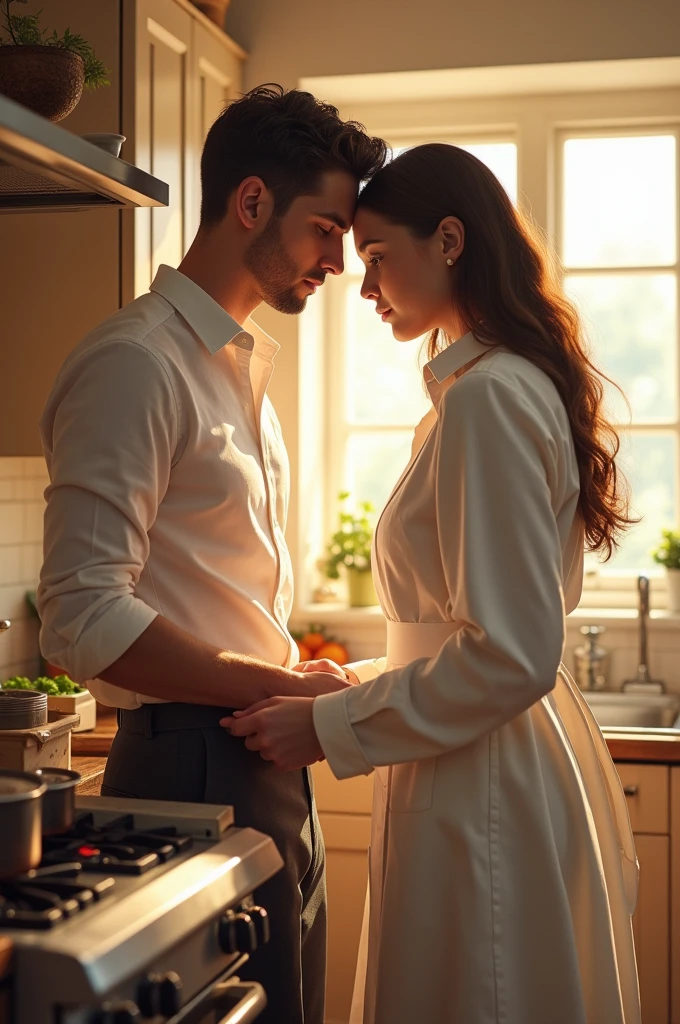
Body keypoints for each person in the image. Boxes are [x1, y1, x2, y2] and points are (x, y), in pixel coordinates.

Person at [223, 142, 642, 1024]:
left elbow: (510, 655)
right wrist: (365, 682)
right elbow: (470, 635)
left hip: (479, 774)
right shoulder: (487, 389)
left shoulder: (487, 399)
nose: (363, 286)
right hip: (479, 757)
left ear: (448, 240)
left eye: (377, 259)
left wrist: (328, 723)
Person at [37, 85, 387, 1024]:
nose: (340, 261)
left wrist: (293, 678)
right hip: (192, 763)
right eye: (326, 228)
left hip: (263, 751)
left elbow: (210, 581)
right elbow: (81, 616)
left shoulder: (235, 369)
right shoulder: (135, 364)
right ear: (250, 204)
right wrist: (273, 687)